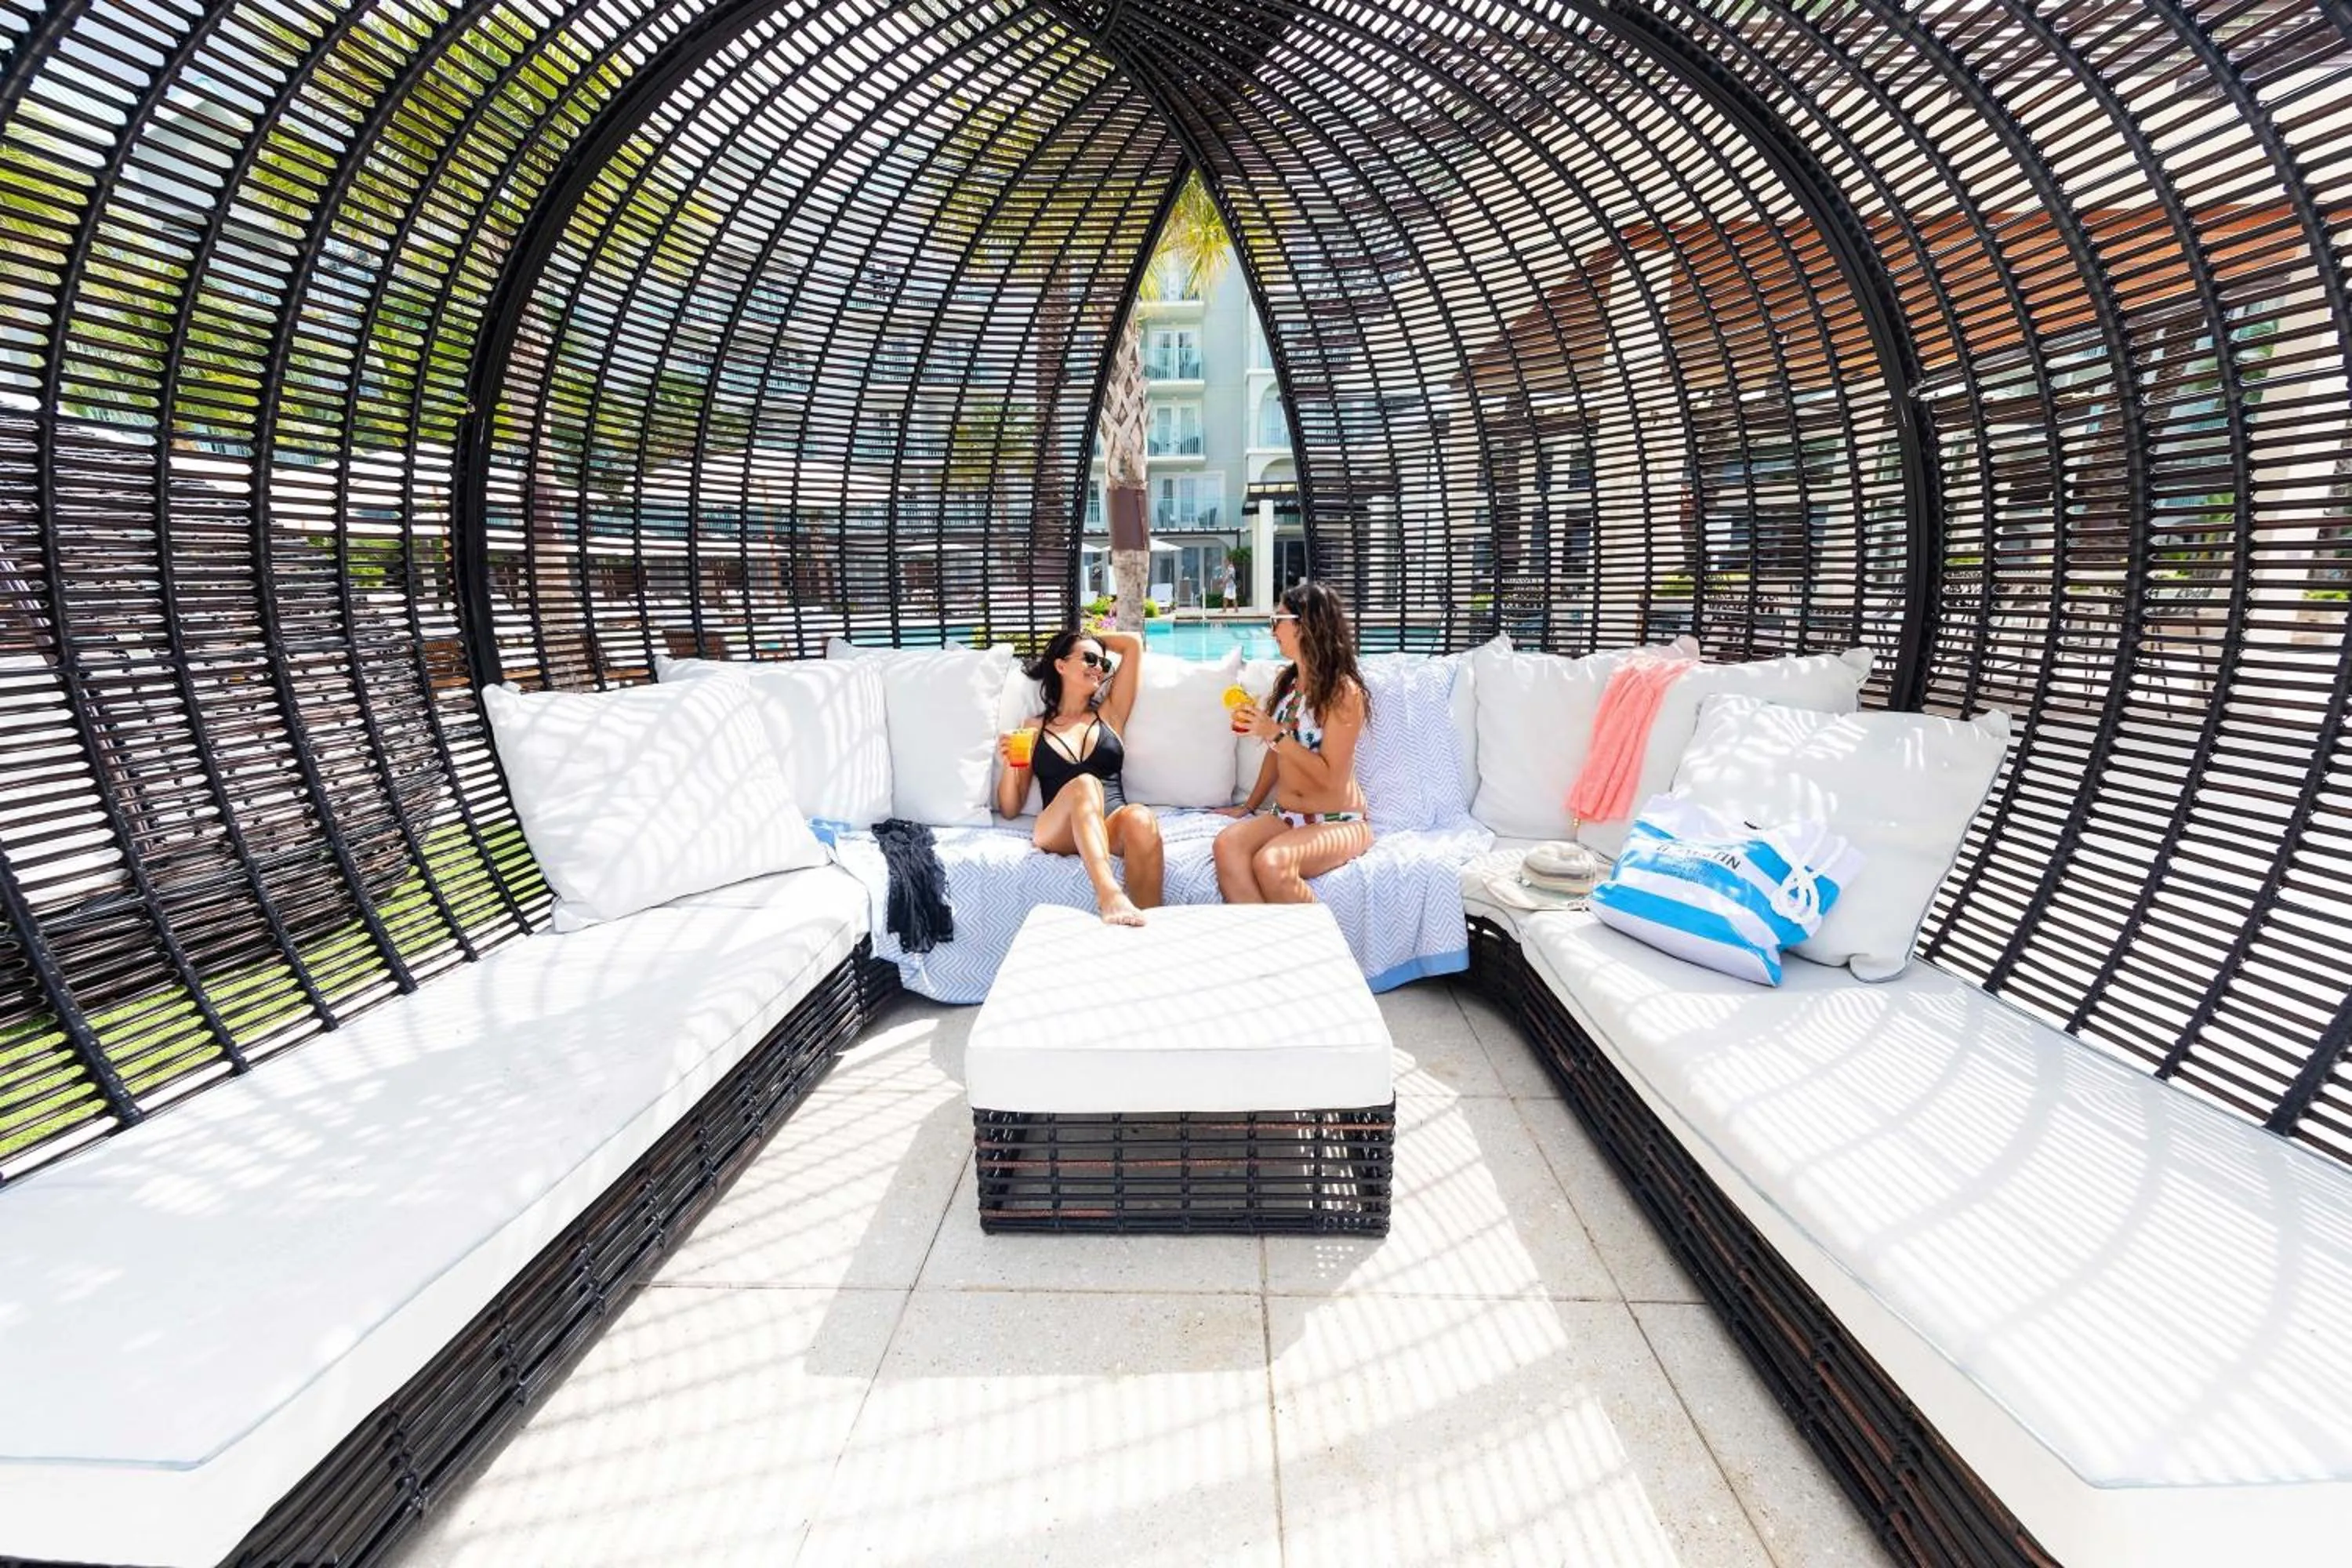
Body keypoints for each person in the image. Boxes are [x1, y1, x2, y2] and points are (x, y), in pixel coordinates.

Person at [1214, 580, 1374, 902]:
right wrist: (1248, 806)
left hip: (1337, 823)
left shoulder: (1343, 693)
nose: (1272, 629)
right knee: (1226, 845)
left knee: (1271, 863)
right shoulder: (1289, 686)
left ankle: (1317, 937)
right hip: (1286, 817)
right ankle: (1267, 935)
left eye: (1278, 620)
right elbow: (1277, 754)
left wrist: (1274, 733)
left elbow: (1330, 777)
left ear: (1305, 625)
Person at [999, 625, 1163, 926]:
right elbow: (1010, 809)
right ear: (1060, 665)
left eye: (1104, 663)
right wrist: (1012, 763)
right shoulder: (1034, 726)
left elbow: (1132, 644)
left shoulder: (1110, 715)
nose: (1098, 667)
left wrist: (1090, 642)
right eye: (1089, 658)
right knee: (1085, 784)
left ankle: (1150, 926)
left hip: (1109, 826)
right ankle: (1109, 895)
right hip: (1058, 829)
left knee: (1141, 817)